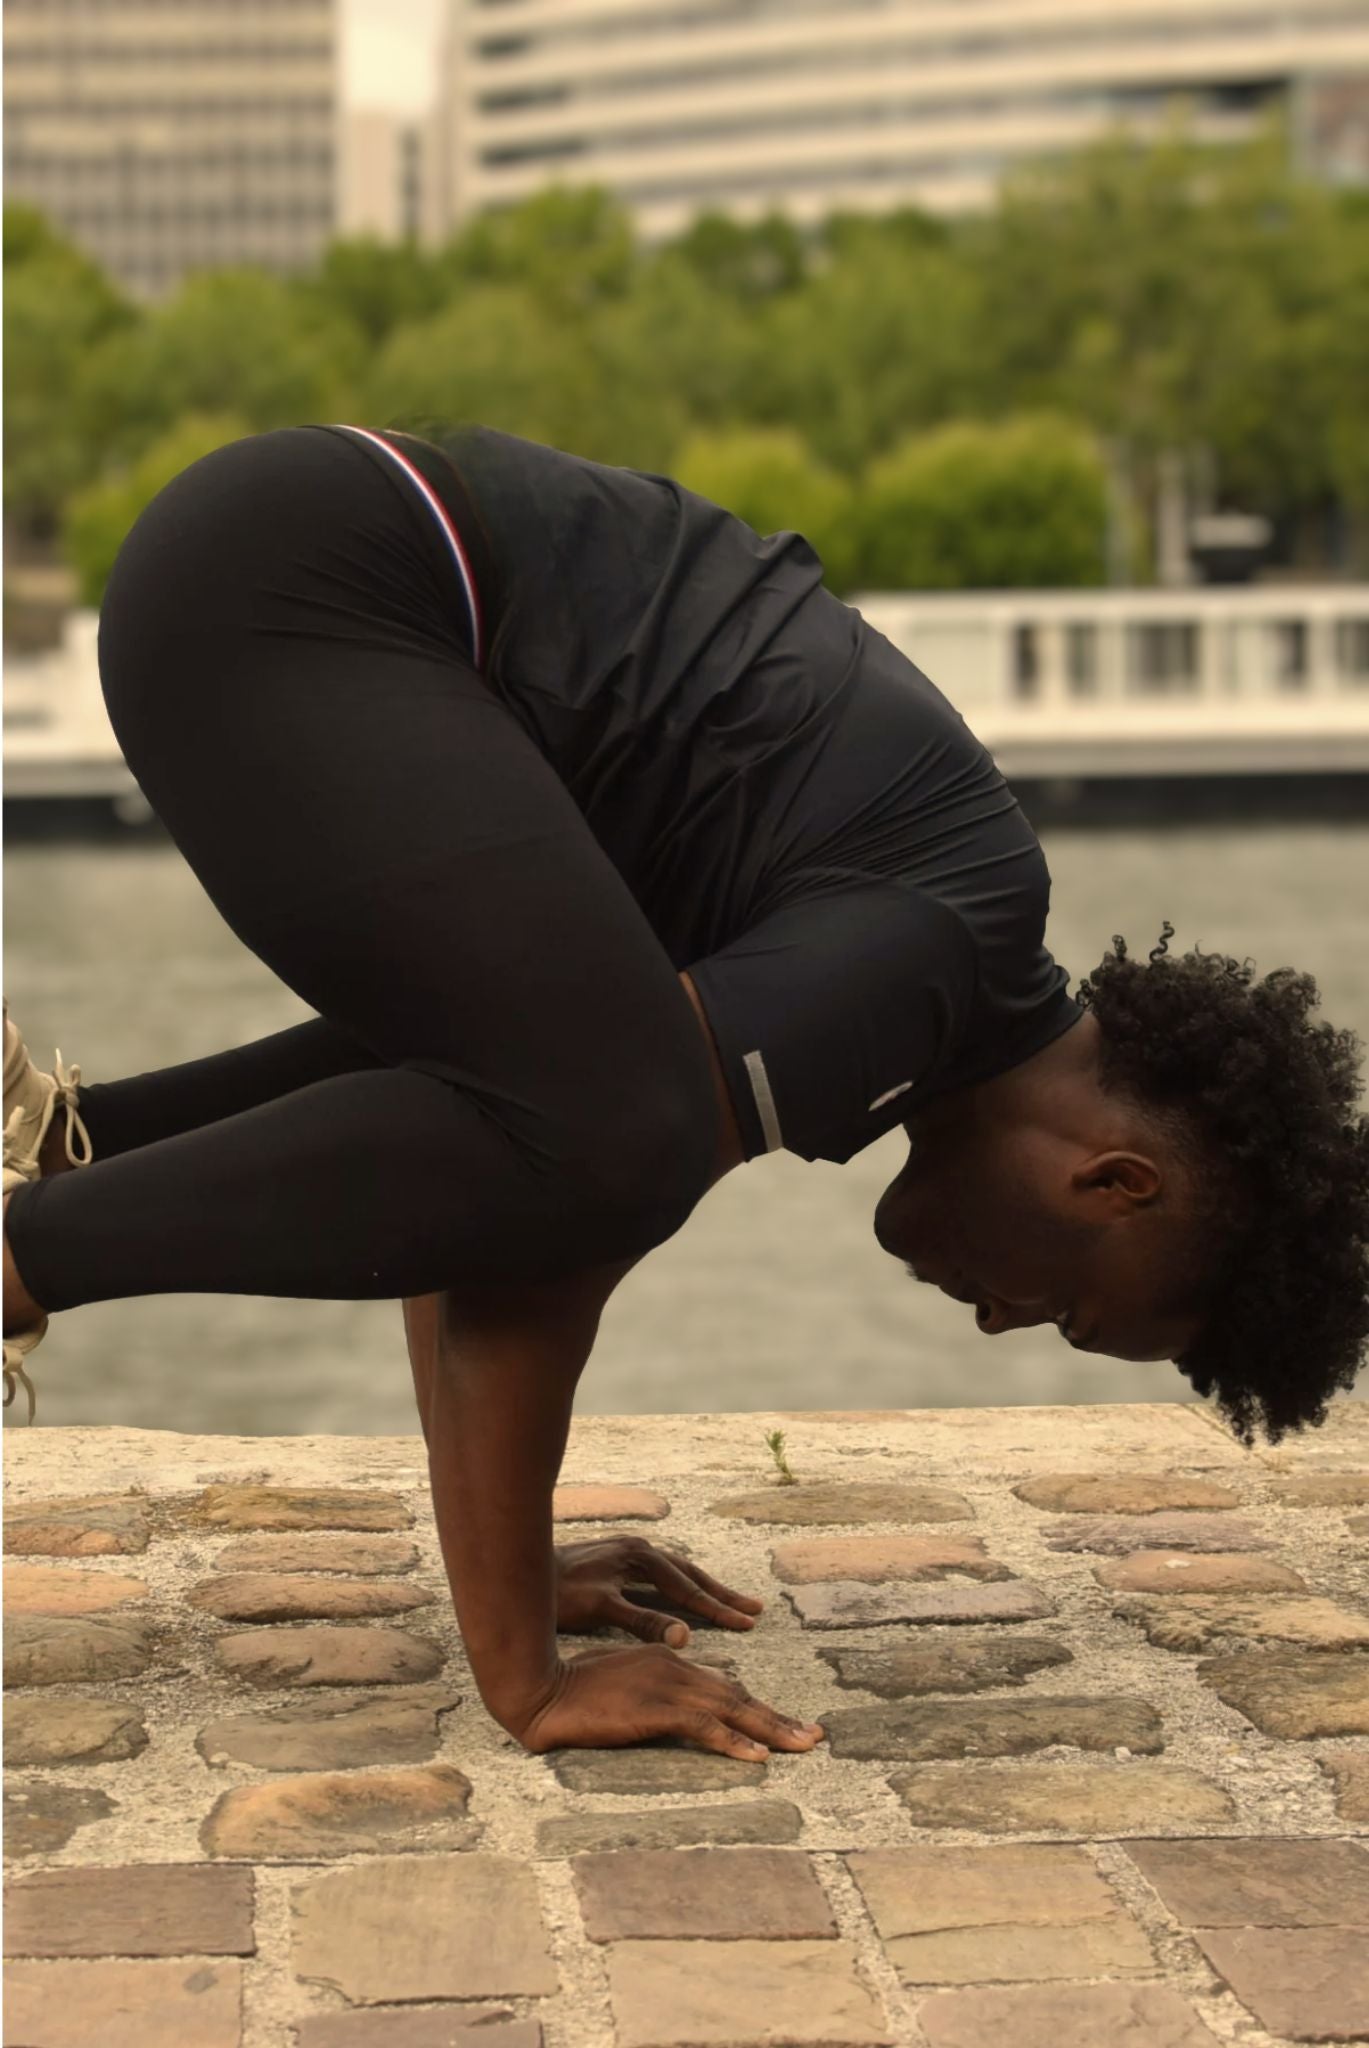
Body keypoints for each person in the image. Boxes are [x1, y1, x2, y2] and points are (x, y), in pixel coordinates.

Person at [4, 421, 1366, 1763]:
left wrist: (515, 1567)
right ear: (1114, 1182)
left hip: (289, 562)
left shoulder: (942, 949)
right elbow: (554, 1222)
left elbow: (470, 1166)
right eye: (1064, 1309)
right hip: (320, 585)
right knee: (614, 1141)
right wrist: (526, 1676)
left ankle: (61, 1146)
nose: (1002, 1321)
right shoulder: (917, 972)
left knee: (562, 1104)